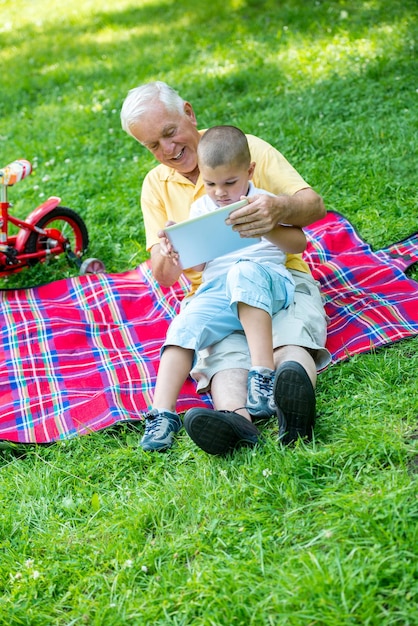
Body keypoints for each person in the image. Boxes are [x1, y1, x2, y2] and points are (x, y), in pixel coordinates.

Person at [120, 81, 331, 455]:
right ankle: (236, 421)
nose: (167, 150)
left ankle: (291, 411)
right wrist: (171, 251)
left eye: (170, 133)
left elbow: (314, 206)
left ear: (188, 112)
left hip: (280, 279)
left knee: (290, 340)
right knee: (224, 361)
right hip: (214, 292)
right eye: (153, 145)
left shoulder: (242, 149)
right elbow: (165, 275)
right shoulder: (155, 185)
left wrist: (276, 212)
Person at [143, 125, 307, 450]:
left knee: (243, 273)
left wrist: (266, 226)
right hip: (219, 288)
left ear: (249, 171)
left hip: (267, 281)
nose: (219, 192)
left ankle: (262, 375)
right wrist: (179, 246)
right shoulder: (202, 208)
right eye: (210, 183)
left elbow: (298, 243)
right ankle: (161, 414)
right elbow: (199, 265)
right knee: (184, 324)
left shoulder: (264, 201)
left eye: (230, 183)